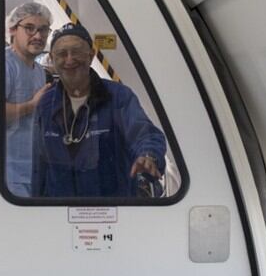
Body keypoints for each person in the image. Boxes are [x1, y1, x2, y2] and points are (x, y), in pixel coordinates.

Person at [31, 23, 166, 197]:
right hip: (60, 211)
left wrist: (149, 156)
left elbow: (144, 134)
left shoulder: (118, 97)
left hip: (111, 210)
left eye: (77, 51)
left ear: (91, 55)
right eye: (62, 54)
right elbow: (39, 166)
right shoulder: (46, 104)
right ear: (52, 59)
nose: (70, 59)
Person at [4, 2, 53, 196]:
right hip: (7, 173)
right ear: (13, 29)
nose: (38, 36)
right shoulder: (5, 66)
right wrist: (31, 105)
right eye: (30, 28)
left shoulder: (39, 71)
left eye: (43, 30)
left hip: (31, 169)